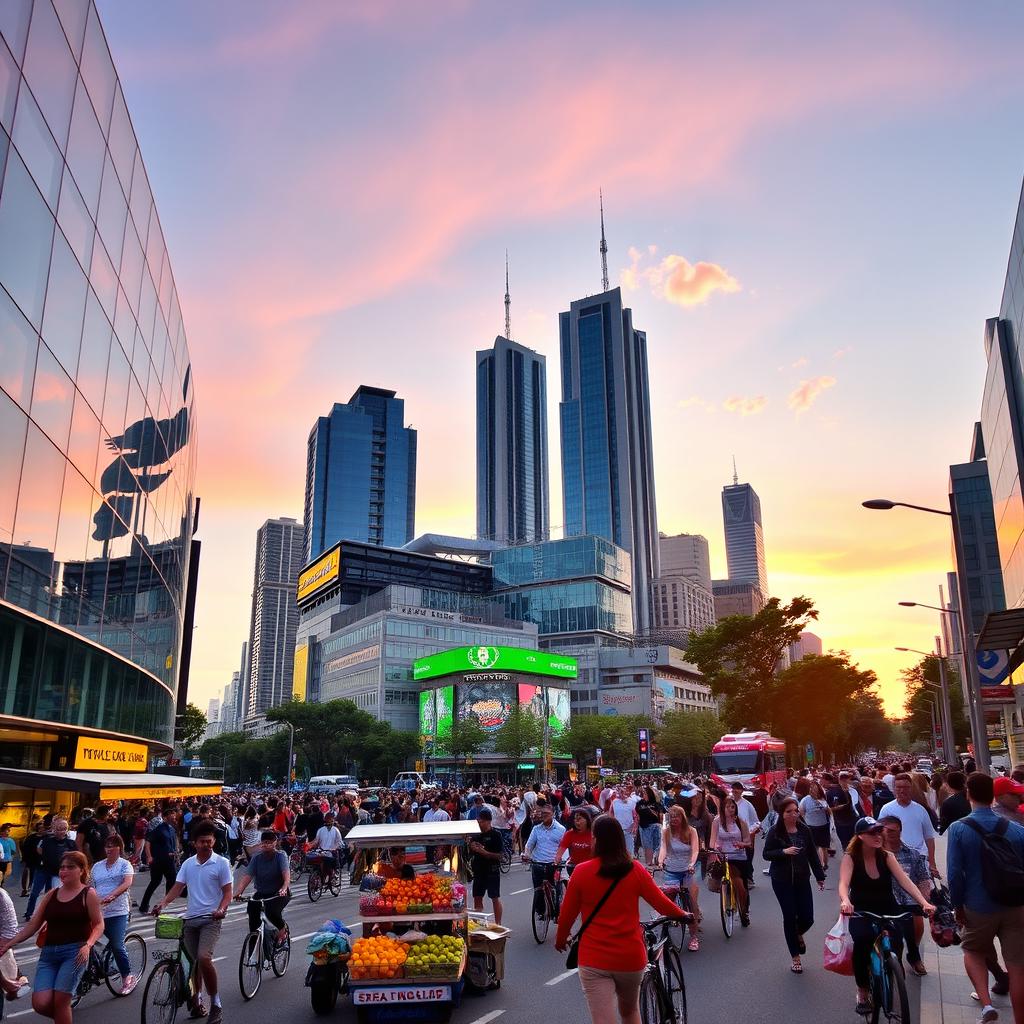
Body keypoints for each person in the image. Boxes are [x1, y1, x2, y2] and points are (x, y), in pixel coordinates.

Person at [554, 815, 687, 1024]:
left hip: (593, 958)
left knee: (603, 1019)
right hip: (630, 957)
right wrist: (684, 915)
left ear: (595, 839)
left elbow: (567, 915)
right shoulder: (635, 870)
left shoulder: (581, 872)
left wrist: (561, 940)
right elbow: (660, 903)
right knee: (630, 1011)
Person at [946, 772, 1024, 1024]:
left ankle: (987, 1004)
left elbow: (955, 873)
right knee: (1017, 965)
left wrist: (957, 905)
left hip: (978, 904)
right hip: (1015, 904)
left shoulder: (958, 829)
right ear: (993, 795)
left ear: (968, 794)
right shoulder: (1016, 829)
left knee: (972, 950)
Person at [838, 817, 935, 1016]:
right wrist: (845, 900)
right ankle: (863, 990)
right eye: (872, 833)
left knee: (897, 942)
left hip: (887, 906)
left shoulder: (887, 856)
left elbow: (905, 881)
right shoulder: (851, 857)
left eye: (879, 831)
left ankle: (893, 976)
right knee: (863, 943)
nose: (878, 836)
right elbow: (843, 883)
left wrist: (924, 902)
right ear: (861, 836)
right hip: (862, 910)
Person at [0, 851, 104, 1024]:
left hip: (75, 953)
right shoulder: (52, 894)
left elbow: (99, 924)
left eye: (70, 867)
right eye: (62, 867)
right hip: (49, 954)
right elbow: (33, 925)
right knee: (40, 1003)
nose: (64, 871)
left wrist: (88, 944)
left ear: (81, 870)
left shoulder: (88, 894)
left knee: (60, 1002)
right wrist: (9, 944)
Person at [152, 822, 233, 1024]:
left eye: (210, 841)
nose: (207, 845)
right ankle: (197, 1001)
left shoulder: (221, 863)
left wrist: (221, 909)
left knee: (204, 958)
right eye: (202, 841)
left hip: (211, 920)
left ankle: (216, 1004)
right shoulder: (188, 864)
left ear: (214, 841)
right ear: (194, 843)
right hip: (190, 919)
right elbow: (177, 887)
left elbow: (228, 892)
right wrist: (163, 903)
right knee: (192, 964)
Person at [763, 797, 826, 973]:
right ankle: (795, 957)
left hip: (802, 878)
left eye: (795, 810)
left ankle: (797, 933)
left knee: (808, 917)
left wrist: (820, 876)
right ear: (782, 814)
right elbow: (766, 854)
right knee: (790, 916)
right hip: (782, 880)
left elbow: (813, 854)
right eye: (788, 811)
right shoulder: (775, 832)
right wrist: (783, 851)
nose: (793, 814)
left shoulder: (804, 830)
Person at [878, 815, 932, 977]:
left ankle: (913, 957)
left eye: (894, 831)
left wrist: (925, 901)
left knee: (911, 931)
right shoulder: (876, 854)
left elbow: (922, 878)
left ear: (900, 832)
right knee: (895, 938)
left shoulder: (912, 854)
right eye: (886, 831)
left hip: (909, 901)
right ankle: (897, 963)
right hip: (886, 902)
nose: (890, 834)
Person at [91, 835, 138, 994]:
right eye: (107, 846)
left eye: (113, 846)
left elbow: (127, 883)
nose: (110, 849)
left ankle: (127, 977)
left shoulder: (125, 865)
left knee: (117, 945)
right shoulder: (97, 866)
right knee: (84, 942)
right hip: (98, 911)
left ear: (120, 848)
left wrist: (113, 895)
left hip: (118, 911)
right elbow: (91, 886)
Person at [233, 831, 291, 941]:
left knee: (271, 912)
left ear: (275, 843)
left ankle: (282, 929)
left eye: (269, 842)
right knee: (252, 908)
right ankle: (254, 943)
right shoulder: (256, 857)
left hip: (278, 893)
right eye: (263, 842)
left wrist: (284, 888)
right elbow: (247, 876)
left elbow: (286, 875)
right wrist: (239, 891)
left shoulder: (280, 856)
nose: (265, 845)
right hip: (262, 892)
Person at [657, 805, 700, 951]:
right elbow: (663, 848)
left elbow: (695, 850)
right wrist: (661, 860)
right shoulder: (666, 832)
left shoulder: (691, 831)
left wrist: (692, 864)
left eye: (677, 816)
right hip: (671, 870)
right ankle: (664, 936)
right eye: (672, 816)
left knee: (691, 904)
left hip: (687, 870)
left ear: (682, 817)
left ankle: (694, 936)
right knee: (667, 903)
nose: (674, 819)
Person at [878, 774, 939, 877]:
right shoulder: (886, 809)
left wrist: (932, 863)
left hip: (920, 858)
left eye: (906, 787)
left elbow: (929, 838)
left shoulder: (921, 810)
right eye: (899, 787)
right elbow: (880, 836)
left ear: (911, 788)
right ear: (894, 788)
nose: (902, 791)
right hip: (896, 860)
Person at [709, 796, 752, 926]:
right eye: (727, 807)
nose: (730, 809)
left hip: (739, 856)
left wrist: (741, 844)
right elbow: (712, 841)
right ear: (722, 808)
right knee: (733, 880)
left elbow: (748, 841)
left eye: (733, 807)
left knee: (742, 887)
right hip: (724, 857)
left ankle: (744, 911)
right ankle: (727, 897)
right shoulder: (717, 821)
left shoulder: (740, 822)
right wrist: (716, 847)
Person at [522, 801, 567, 918]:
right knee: (538, 890)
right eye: (542, 813)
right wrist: (526, 855)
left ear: (553, 813)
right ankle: (540, 911)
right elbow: (529, 845)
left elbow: (564, 847)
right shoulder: (536, 829)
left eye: (546, 813)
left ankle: (557, 913)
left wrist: (561, 861)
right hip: (538, 863)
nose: (543, 815)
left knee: (556, 890)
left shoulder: (561, 829)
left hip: (554, 864)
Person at [26, 819, 76, 920]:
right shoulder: (46, 840)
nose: (61, 831)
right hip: (43, 870)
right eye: (59, 829)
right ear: (54, 829)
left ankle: (49, 913)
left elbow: (74, 857)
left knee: (51, 893)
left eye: (64, 829)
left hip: (57, 872)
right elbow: (39, 850)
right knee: (35, 892)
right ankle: (29, 913)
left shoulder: (70, 843)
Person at [139, 808, 179, 914]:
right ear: (166, 817)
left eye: (175, 814)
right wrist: (149, 856)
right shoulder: (159, 829)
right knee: (155, 882)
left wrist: (176, 851)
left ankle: (165, 903)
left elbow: (174, 841)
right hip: (158, 860)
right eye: (172, 814)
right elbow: (148, 842)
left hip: (169, 860)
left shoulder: (172, 829)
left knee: (172, 880)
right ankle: (144, 905)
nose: (174, 816)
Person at [468, 808, 504, 925]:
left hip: (492, 870)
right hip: (478, 870)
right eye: (478, 821)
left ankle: (498, 923)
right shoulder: (475, 835)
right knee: (477, 897)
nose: (479, 823)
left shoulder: (496, 835)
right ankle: (478, 923)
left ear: (488, 821)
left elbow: (500, 856)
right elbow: (470, 851)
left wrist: (485, 853)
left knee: (494, 897)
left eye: (481, 821)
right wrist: (471, 846)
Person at [799, 780, 832, 871]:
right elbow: (801, 813)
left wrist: (825, 808)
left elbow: (830, 812)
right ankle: (819, 865)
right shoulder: (805, 800)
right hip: (811, 826)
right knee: (815, 847)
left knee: (824, 847)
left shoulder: (823, 798)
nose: (813, 790)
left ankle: (825, 864)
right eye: (811, 788)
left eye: (815, 788)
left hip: (823, 826)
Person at [557, 809, 596, 877]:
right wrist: (556, 861)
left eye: (579, 819)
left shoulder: (593, 833)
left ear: (587, 820)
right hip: (574, 867)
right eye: (575, 819)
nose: (576, 821)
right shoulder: (569, 834)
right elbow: (561, 849)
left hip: (589, 867)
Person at [827, 772, 859, 852]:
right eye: (842, 779)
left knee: (855, 842)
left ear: (849, 780)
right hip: (840, 822)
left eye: (846, 779)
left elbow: (856, 805)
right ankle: (847, 857)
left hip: (854, 820)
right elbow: (829, 807)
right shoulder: (832, 792)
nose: (844, 781)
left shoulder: (854, 791)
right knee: (845, 843)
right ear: (839, 780)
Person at [635, 786, 663, 867]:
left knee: (656, 844)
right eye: (643, 793)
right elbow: (637, 815)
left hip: (655, 825)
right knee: (647, 845)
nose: (643, 794)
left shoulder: (656, 803)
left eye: (645, 793)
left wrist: (661, 825)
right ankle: (649, 863)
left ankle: (657, 860)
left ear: (649, 794)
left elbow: (660, 815)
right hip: (644, 826)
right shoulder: (640, 803)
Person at [311, 812, 345, 878]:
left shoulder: (336, 830)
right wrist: (310, 845)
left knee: (331, 863)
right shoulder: (320, 830)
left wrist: (336, 848)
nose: (330, 822)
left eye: (331, 820)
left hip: (332, 852)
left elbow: (339, 842)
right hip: (322, 851)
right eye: (328, 820)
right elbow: (316, 841)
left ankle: (332, 874)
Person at [20, 820, 44, 897]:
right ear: (37, 829)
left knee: (37, 874)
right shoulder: (31, 837)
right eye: (40, 828)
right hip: (30, 859)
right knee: (29, 873)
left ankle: (32, 888)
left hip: (40, 859)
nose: (42, 829)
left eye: (43, 828)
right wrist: (24, 858)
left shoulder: (46, 838)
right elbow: (25, 847)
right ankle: (26, 888)